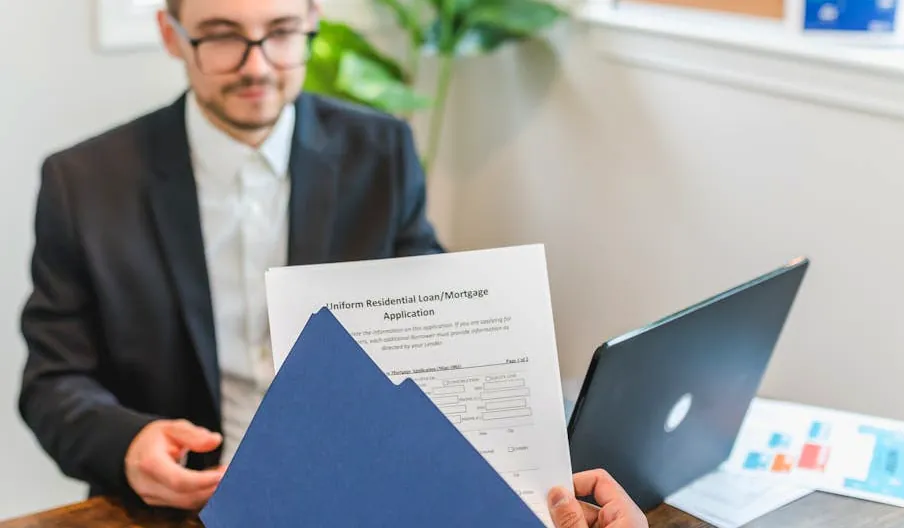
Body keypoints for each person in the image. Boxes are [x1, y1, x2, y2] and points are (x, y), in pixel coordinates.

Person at [17, 0, 650, 523]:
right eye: (222, 37)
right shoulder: (84, 183)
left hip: (359, 487)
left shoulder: (383, 151)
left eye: (283, 33)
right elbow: (52, 382)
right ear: (171, 33)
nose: (257, 65)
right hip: (183, 506)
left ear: (313, 19)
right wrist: (127, 445)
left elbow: (432, 330)